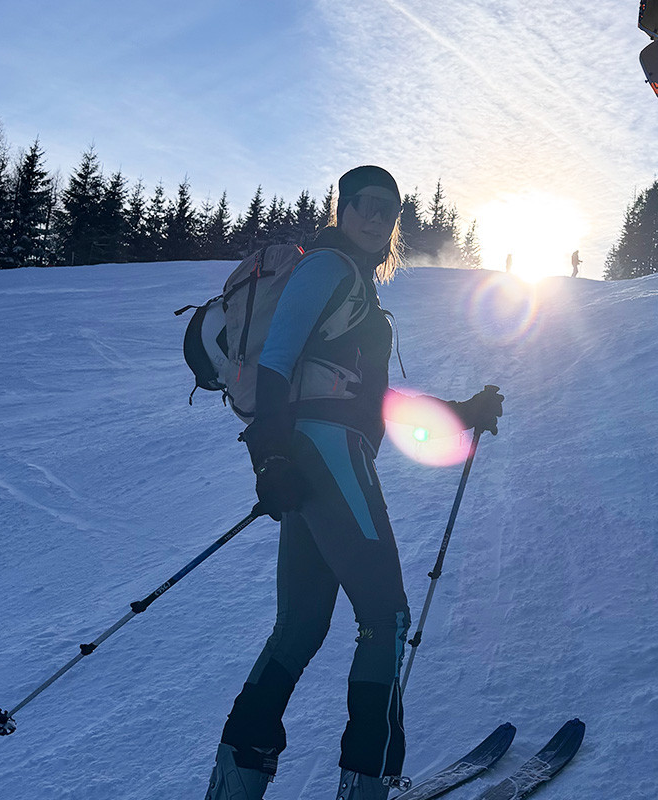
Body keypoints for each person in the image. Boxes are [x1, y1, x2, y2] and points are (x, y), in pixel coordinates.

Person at [205, 165, 504, 800]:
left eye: (388, 210)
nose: (375, 216)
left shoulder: (358, 288)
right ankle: (366, 786)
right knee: (387, 618)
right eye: (364, 204)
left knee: (301, 628)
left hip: (318, 455)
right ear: (342, 209)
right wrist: (270, 460)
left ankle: (236, 785)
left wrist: (460, 413)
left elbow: (376, 401)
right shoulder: (327, 268)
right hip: (322, 451)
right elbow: (278, 363)